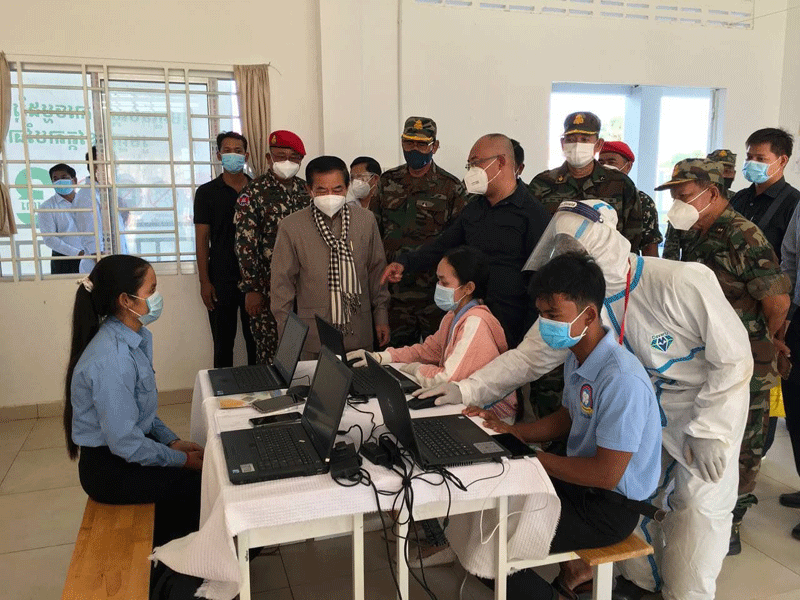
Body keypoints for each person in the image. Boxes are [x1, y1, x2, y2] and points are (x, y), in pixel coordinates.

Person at [415, 200, 752, 600]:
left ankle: (688, 595)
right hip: (636, 413)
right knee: (641, 500)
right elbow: (528, 360)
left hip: (703, 405)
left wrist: (713, 428)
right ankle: (637, 585)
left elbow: (733, 358)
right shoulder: (575, 315)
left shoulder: (678, 283)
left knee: (697, 508)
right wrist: (468, 391)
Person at [466, 251, 662, 600]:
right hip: (578, 487)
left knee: (489, 547)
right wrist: (514, 433)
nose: (545, 323)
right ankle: (572, 577)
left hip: (607, 508)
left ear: (589, 314)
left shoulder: (621, 379)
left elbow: (606, 474)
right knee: (484, 505)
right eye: (541, 314)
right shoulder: (579, 356)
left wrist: (532, 458)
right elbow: (569, 417)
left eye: (553, 315)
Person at [656, 158, 791, 555]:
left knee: (744, 442)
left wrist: (765, 340)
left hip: (747, 358)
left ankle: (733, 519)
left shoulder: (742, 235)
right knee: (708, 433)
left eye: (683, 196)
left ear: (711, 193)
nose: (677, 204)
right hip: (704, 353)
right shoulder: (692, 229)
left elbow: (777, 301)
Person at [63, 255, 203, 549]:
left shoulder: (135, 337)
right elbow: (125, 442)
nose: (157, 298)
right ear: (126, 300)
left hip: (124, 451)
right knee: (200, 490)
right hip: (110, 469)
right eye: (151, 291)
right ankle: (169, 566)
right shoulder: (111, 359)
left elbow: (140, 412)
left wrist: (172, 441)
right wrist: (181, 460)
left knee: (201, 482)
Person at [381, 133, 551, 349]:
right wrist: (405, 262)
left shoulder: (533, 215)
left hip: (510, 327)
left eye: (476, 163)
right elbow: (443, 245)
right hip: (470, 319)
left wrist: (526, 341)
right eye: (469, 165)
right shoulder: (474, 209)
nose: (471, 171)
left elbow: (540, 280)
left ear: (500, 162)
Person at [351, 246, 517, 420]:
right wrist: (381, 357)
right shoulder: (453, 316)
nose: (438, 287)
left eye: (444, 283)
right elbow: (427, 351)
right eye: (438, 280)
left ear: (468, 288)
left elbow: (446, 380)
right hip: (465, 406)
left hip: (489, 417)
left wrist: (415, 368)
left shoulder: (475, 322)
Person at [270, 155, 390, 358]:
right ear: (309, 190)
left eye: (337, 189)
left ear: (347, 187)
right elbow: (282, 286)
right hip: (313, 337)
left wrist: (381, 316)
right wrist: (288, 338)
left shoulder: (365, 221)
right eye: (321, 190)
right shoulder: (292, 226)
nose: (330, 196)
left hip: (359, 332)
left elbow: (376, 272)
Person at [373, 116, 467, 348]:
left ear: (435, 146)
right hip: (394, 294)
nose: (414, 149)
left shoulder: (451, 187)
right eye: (409, 142)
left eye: (422, 144)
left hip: (434, 294)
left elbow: (457, 240)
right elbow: (374, 232)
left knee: (437, 356)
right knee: (392, 357)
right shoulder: (387, 181)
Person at [234, 129, 311, 364]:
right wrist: (252, 288)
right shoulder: (253, 192)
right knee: (271, 351)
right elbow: (245, 244)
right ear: (269, 158)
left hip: (305, 288)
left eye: (293, 157)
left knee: (304, 349)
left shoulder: (307, 191)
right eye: (280, 156)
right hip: (267, 289)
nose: (287, 162)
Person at [529, 112, 644, 253]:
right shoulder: (543, 183)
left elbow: (632, 239)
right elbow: (532, 234)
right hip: (556, 263)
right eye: (571, 140)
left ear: (598, 144)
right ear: (562, 144)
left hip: (606, 265)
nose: (577, 145)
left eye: (584, 139)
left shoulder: (620, 184)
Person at [194, 131, 257, 368]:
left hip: (254, 279)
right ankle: (221, 389)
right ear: (219, 155)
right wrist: (204, 282)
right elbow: (202, 239)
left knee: (256, 342)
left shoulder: (258, 190)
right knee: (222, 344)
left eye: (238, 151)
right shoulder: (206, 193)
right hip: (220, 278)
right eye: (227, 151)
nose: (233, 155)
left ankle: (259, 386)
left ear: (246, 156)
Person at [597, 141, 662, 256]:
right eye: (601, 163)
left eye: (612, 162)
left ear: (628, 166)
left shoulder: (642, 201)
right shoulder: (588, 195)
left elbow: (650, 249)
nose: (605, 167)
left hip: (626, 263)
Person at [39, 163, 83, 274]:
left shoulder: (86, 202)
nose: (60, 181)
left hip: (91, 256)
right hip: (63, 259)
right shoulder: (47, 207)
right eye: (56, 179)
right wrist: (78, 253)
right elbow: (49, 239)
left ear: (74, 180)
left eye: (64, 177)